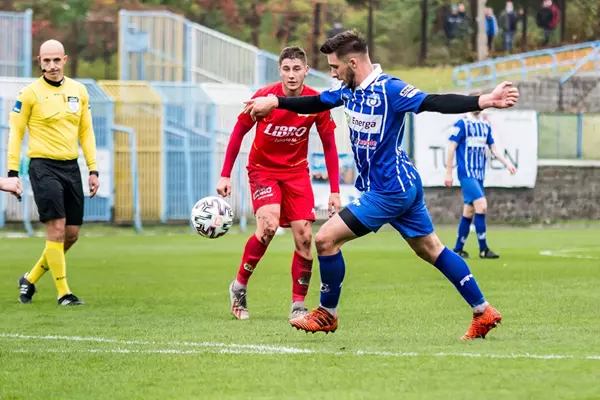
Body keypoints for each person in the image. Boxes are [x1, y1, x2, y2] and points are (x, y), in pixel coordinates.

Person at [243, 30, 519, 340]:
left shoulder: (391, 89)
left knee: (325, 239)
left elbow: (433, 101)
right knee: (431, 249)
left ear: (352, 63)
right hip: (403, 184)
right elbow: (316, 102)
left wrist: (486, 100)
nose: (332, 74)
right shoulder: (347, 90)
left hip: (389, 190)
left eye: (335, 67)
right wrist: (276, 101)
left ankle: (326, 314)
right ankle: (483, 310)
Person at [216, 46, 341, 321]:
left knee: (305, 237)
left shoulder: (316, 102)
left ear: (306, 71)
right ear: (280, 71)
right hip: (263, 171)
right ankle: (239, 286)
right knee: (269, 227)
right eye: (286, 69)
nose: (291, 75)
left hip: (297, 174)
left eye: (297, 69)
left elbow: (329, 145)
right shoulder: (263, 99)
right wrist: (225, 174)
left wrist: (334, 190)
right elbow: (238, 133)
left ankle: (298, 305)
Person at [7, 39, 99, 306]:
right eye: (46, 60)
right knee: (56, 229)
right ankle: (64, 293)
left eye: (56, 60)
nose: (52, 65)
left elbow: (86, 132)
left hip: (71, 167)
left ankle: (30, 278)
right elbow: (16, 134)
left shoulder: (79, 91)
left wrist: (93, 169)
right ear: (40, 62)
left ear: (64, 60)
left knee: (71, 234)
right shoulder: (29, 94)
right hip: (43, 167)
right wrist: (12, 173)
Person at [445, 103, 517, 260]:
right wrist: (449, 172)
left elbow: (494, 149)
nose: (478, 106)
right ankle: (483, 249)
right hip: (466, 173)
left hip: (479, 175)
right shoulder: (462, 123)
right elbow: (451, 147)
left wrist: (507, 163)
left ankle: (457, 250)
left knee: (469, 211)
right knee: (482, 205)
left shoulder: (485, 125)